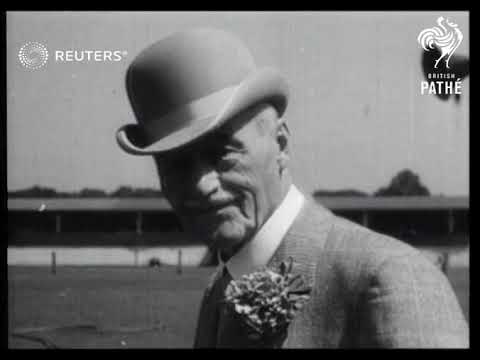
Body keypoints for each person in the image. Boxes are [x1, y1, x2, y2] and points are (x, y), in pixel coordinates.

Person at [116, 28, 469, 348]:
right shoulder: (218, 291)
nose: (201, 185)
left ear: (281, 144)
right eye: (174, 164)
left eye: (221, 153)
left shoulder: (391, 278)